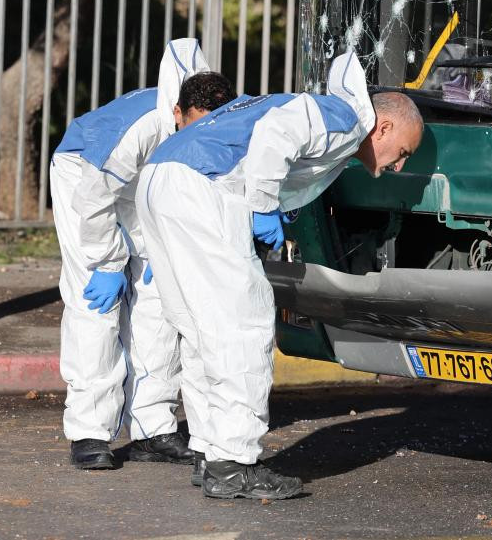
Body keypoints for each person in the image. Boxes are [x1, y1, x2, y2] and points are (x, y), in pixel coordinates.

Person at [136, 50, 423, 500]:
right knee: (242, 327)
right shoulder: (344, 117)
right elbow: (276, 134)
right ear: (382, 127)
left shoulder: (324, 111)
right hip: (202, 186)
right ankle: (234, 463)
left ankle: (212, 454)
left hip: (161, 178)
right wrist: (264, 204)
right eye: (402, 152)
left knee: (199, 330)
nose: (398, 165)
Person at [51, 38, 235, 470]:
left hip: (141, 187)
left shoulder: (215, 119)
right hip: (85, 177)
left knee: (159, 302)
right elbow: (95, 198)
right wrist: (108, 263)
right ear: (176, 111)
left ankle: (153, 426)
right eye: (191, 126)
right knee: (96, 306)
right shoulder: (141, 128)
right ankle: (89, 432)